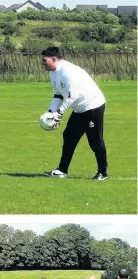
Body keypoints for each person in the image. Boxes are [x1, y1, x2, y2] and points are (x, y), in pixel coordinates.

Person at [40, 46, 108, 180]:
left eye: (44, 60)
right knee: (69, 135)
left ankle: (103, 173)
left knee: (95, 141)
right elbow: (58, 94)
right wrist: (50, 112)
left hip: (93, 106)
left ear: (53, 59)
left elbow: (72, 96)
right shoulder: (53, 72)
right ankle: (62, 170)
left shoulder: (67, 71)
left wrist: (58, 114)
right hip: (79, 109)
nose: (42, 63)